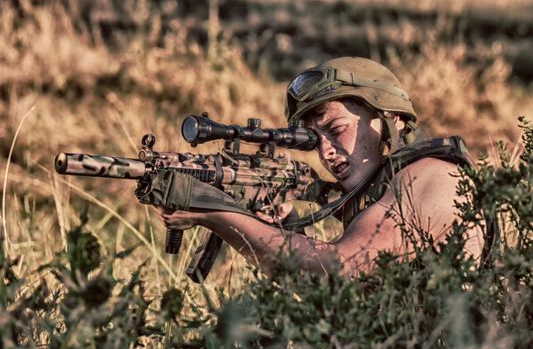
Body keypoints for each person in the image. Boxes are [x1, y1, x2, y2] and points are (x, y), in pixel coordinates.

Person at [156, 57, 483, 277]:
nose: (326, 151)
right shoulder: (376, 194)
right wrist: (285, 231)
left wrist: (216, 214)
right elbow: (326, 297)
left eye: (337, 130)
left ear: (390, 119)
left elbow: (343, 267)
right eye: (313, 139)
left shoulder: (431, 176)